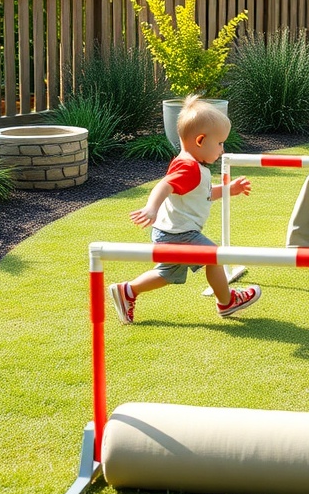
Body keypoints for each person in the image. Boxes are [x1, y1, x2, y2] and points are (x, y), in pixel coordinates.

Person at [108, 95, 261, 324]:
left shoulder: (194, 166)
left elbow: (205, 194)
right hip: (180, 234)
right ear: (200, 140)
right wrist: (151, 208)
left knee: (166, 274)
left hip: (172, 232)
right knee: (214, 257)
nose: (222, 149)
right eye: (219, 143)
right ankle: (227, 301)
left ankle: (128, 291)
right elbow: (165, 184)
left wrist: (229, 189)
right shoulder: (188, 167)